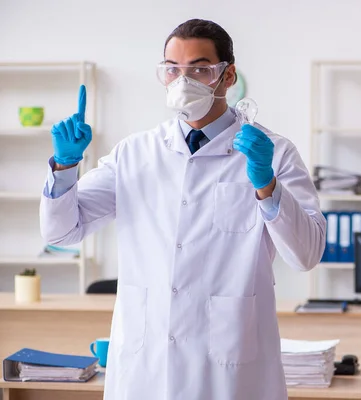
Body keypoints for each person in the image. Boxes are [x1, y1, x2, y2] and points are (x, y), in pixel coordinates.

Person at [40, 18, 326, 400]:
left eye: (200, 69)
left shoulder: (272, 152)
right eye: (172, 69)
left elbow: (306, 254)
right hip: (146, 366)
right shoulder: (135, 153)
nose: (183, 80)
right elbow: (61, 232)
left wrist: (266, 185)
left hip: (229, 369)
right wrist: (65, 167)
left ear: (228, 76)